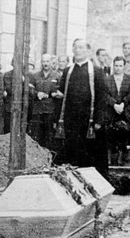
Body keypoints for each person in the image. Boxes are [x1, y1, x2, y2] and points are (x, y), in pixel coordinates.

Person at [55, 38, 108, 175]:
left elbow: (102, 96)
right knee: (72, 152)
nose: (77, 50)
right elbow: (62, 95)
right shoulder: (68, 71)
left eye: (81, 47)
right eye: (75, 47)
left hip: (89, 121)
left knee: (89, 153)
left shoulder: (96, 71)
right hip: (71, 120)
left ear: (88, 51)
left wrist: (98, 120)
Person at [29, 54, 62, 149]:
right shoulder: (35, 76)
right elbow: (30, 90)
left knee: (49, 135)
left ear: (51, 63)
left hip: (50, 110)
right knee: (36, 135)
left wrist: (55, 94)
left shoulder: (56, 76)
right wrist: (36, 93)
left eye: (47, 61)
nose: (45, 64)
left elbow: (59, 91)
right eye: (43, 61)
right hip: (37, 109)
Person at [106, 56, 130, 165]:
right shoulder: (107, 79)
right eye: (116, 65)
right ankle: (112, 160)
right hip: (111, 113)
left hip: (125, 112)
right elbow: (104, 94)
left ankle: (124, 159)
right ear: (113, 65)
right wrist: (114, 104)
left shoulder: (129, 79)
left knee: (124, 136)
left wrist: (123, 103)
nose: (118, 68)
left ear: (124, 66)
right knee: (111, 137)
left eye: (120, 66)